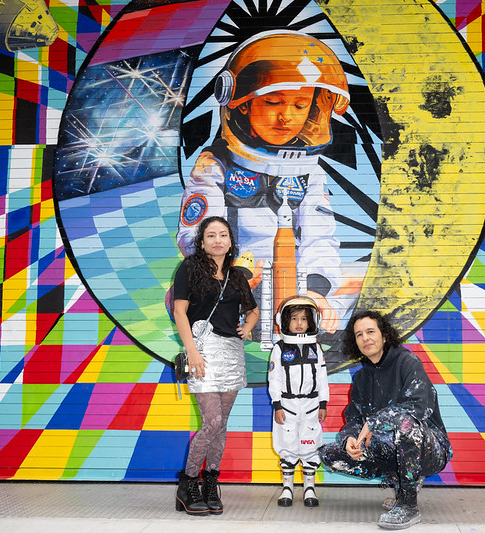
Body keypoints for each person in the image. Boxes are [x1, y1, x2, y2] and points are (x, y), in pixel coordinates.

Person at [177, 29, 357, 337]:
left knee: (361, 282)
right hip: (239, 283)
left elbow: (319, 239)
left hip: (299, 286)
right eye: (274, 101)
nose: (287, 116)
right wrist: (233, 273)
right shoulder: (215, 165)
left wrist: (317, 291)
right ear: (241, 102)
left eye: (300, 105)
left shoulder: (309, 171)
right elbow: (195, 236)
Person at [319, 310, 452, 530]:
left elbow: (418, 407)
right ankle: (403, 483)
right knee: (330, 454)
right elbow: (353, 419)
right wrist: (349, 440)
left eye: (370, 331)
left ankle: (409, 506)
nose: (365, 338)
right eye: (359, 334)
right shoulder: (361, 378)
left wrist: (375, 422)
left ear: (384, 336)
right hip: (392, 449)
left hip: (430, 448)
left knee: (406, 426)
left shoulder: (407, 362)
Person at [172, 216, 260, 516]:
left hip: (232, 353)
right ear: (202, 240)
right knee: (211, 422)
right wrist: (192, 352)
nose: (218, 240)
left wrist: (247, 327)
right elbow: (179, 312)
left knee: (221, 425)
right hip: (203, 350)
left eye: (223, 235)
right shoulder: (189, 268)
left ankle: (211, 482)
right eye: (211, 235)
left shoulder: (236, 276)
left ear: (231, 241)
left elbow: (253, 311)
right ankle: (189, 483)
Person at [268, 296, 329, 507]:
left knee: (310, 442)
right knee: (287, 443)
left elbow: (322, 378)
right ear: (284, 321)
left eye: (304, 318)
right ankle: (287, 488)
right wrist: (277, 404)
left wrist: (323, 403)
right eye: (294, 318)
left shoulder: (316, 349)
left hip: (311, 404)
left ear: (312, 322)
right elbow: (274, 379)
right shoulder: (280, 348)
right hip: (287, 405)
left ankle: (309, 488)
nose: (299, 323)